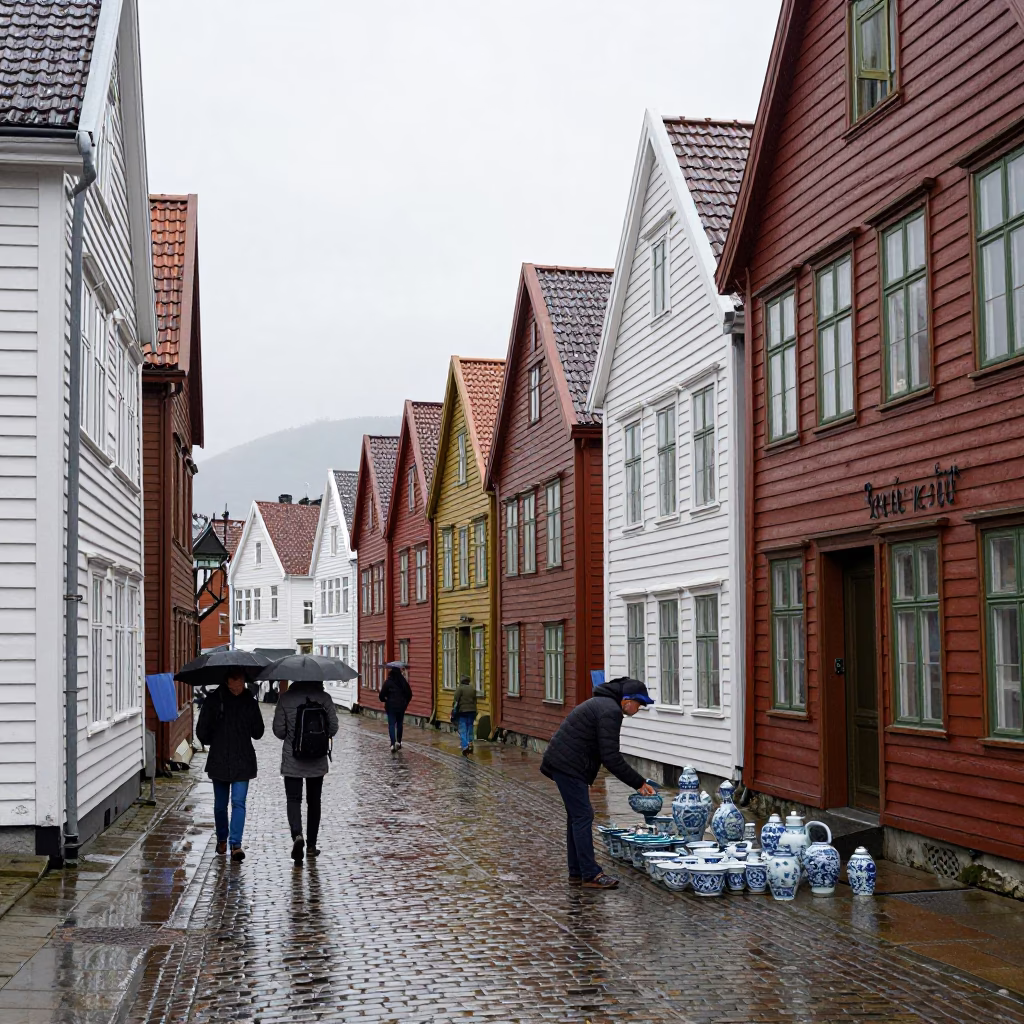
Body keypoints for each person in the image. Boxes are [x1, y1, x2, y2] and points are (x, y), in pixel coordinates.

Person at [540, 676, 657, 890]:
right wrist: (638, 783)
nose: (639, 709)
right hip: (567, 765)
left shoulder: (603, 705)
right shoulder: (610, 711)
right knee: (583, 816)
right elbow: (610, 757)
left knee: (576, 817)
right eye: (639, 705)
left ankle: (578, 871)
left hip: (564, 762)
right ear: (627, 700)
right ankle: (591, 874)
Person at [195, 668, 265, 861]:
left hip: (243, 759)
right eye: (236, 680)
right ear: (227, 681)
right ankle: (222, 839)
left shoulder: (249, 702)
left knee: (238, 802)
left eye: (242, 679)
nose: (239, 683)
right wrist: (214, 734)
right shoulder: (214, 701)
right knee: (220, 805)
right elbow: (202, 732)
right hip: (220, 759)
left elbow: (258, 732)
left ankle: (236, 844)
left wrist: (253, 712)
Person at [272, 680, 340, 863]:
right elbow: (333, 728)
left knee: (293, 799)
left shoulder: (286, 699)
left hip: (293, 758)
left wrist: (292, 734)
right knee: (314, 801)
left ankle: (297, 836)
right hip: (317, 759)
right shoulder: (324, 698)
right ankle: (311, 846)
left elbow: (278, 731)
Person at [379, 664, 412, 752]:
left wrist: (385, 699)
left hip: (391, 707)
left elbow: (381, 696)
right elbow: (409, 694)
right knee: (400, 724)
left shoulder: (388, 682)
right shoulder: (403, 682)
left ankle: (393, 743)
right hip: (401, 707)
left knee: (392, 724)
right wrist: (405, 703)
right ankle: (399, 742)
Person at [451, 675, 477, 756]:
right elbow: (475, 701)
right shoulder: (472, 689)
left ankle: (465, 746)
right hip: (472, 711)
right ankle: (470, 743)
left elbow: (456, 701)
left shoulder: (460, 689)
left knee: (463, 729)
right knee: (470, 727)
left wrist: (454, 712)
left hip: (462, 712)